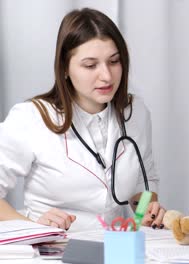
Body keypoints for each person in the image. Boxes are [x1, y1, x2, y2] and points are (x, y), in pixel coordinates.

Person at [0, 8, 166, 231]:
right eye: (90, 65)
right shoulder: (31, 117)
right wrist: (33, 227)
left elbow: (143, 181)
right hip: (48, 250)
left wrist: (143, 212)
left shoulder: (135, 112)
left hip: (113, 245)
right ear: (65, 68)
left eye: (114, 61)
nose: (106, 76)